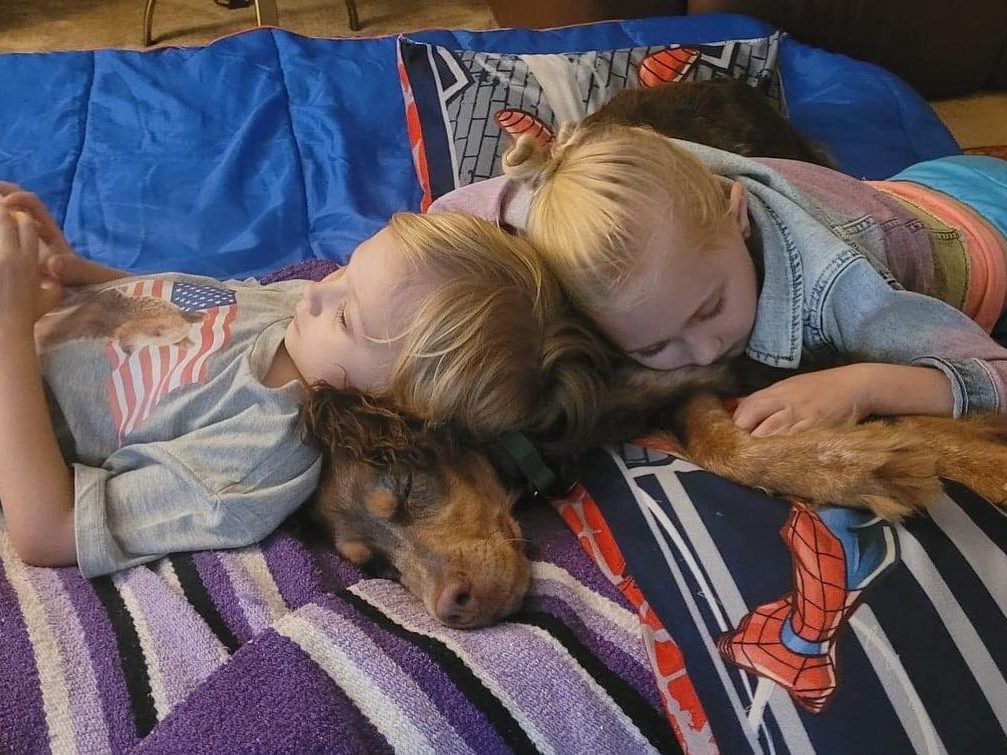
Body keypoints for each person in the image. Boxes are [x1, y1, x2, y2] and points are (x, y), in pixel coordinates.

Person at [0, 183, 602, 576]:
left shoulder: (259, 458)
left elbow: (47, 531)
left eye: (348, 314)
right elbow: (181, 320)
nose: (316, 290)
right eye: (347, 267)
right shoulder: (298, 317)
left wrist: (8, 325)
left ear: (391, 403)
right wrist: (73, 274)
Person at [431, 122, 1007, 437]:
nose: (706, 349)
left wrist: (858, 385)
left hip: (986, 230)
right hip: (903, 189)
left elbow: (995, 376)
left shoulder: (842, 289)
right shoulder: (604, 172)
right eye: (655, 346)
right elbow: (465, 213)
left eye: (709, 308)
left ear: (736, 215)